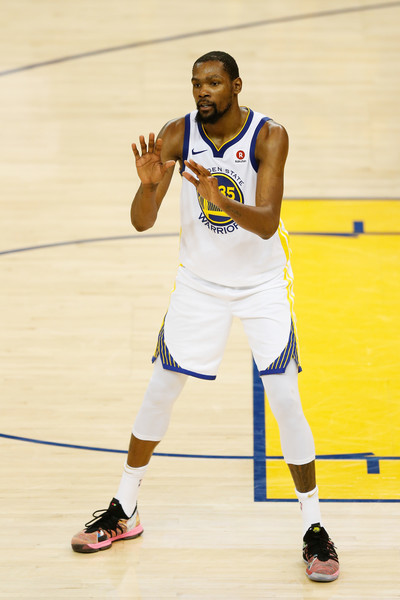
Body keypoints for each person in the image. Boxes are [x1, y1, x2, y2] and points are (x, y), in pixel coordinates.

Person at [71, 51, 339, 582]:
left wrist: (219, 198)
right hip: (199, 284)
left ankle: (315, 529)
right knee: (159, 391)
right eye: (196, 83)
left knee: (285, 398)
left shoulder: (269, 136)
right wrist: (149, 187)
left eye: (213, 83)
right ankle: (125, 509)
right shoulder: (178, 134)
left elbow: (266, 223)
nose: (202, 92)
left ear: (236, 85)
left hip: (261, 285)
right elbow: (142, 223)